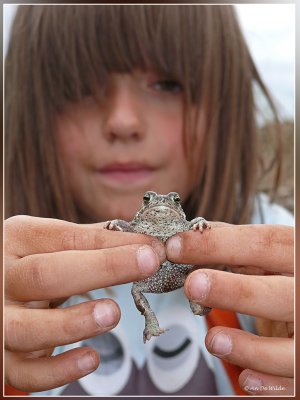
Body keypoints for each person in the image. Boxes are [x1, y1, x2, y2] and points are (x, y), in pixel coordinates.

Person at [4, 4, 294, 396]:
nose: (123, 122)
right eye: (80, 86)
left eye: (168, 84)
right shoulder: (10, 264)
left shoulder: (271, 245)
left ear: (223, 104)